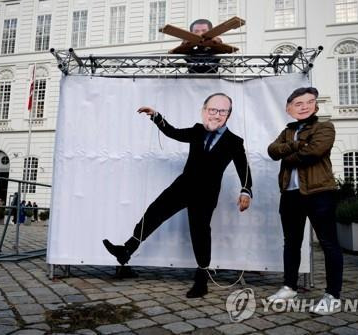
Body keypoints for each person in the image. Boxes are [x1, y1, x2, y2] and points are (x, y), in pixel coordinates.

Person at [103, 92, 252, 298]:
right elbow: (172, 132)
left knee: (199, 232)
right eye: (212, 110)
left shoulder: (234, 141)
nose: (216, 115)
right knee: (154, 212)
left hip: (206, 194)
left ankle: (202, 279)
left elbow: (243, 168)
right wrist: (156, 116)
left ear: (228, 115)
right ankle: (126, 250)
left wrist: (246, 190)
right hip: (183, 186)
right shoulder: (197, 130)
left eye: (222, 111)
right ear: (204, 111)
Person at [267, 87, 343, 315]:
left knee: (328, 244)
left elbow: (313, 152)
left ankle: (333, 295)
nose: (304, 106)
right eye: (298, 103)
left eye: (309, 102)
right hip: (290, 196)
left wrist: (289, 152)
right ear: (289, 109)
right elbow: (272, 151)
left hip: (320, 193)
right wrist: (297, 144)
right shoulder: (287, 131)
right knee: (291, 242)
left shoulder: (325, 127)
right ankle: (289, 287)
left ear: (316, 106)